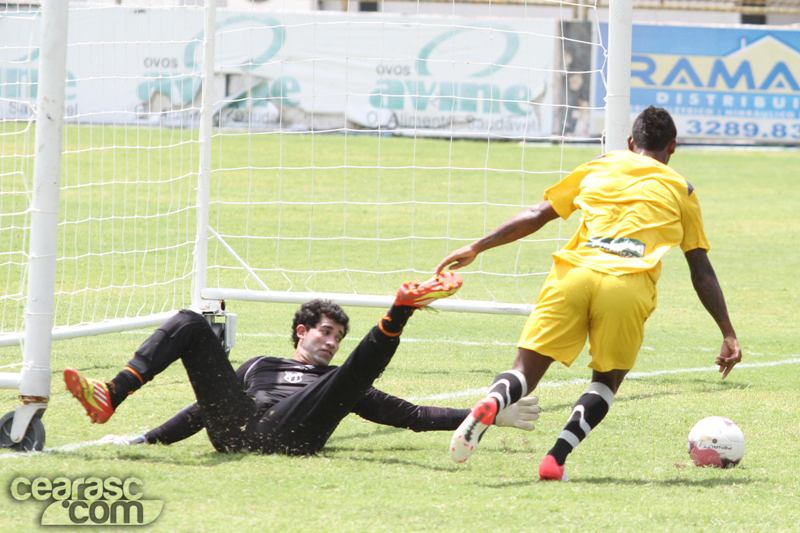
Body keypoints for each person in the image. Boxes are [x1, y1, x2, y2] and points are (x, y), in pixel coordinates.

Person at [435, 106, 742, 480]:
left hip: (573, 275)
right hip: (627, 287)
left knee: (524, 371)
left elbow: (538, 213)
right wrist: (727, 331)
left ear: (631, 143)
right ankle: (555, 459)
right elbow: (701, 270)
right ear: (672, 148)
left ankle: (493, 401)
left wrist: (477, 247)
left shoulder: (600, 164)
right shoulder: (683, 189)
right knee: (605, 382)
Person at [63, 272, 541, 455]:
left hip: (293, 436)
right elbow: (201, 411)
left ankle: (400, 311)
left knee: (345, 379)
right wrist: (145, 438)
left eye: (338, 336)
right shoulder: (258, 365)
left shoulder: (335, 383)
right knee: (191, 321)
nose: (331, 342)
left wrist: (487, 414)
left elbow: (411, 416)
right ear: (302, 332)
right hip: (236, 433)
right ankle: (112, 393)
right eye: (326, 332)